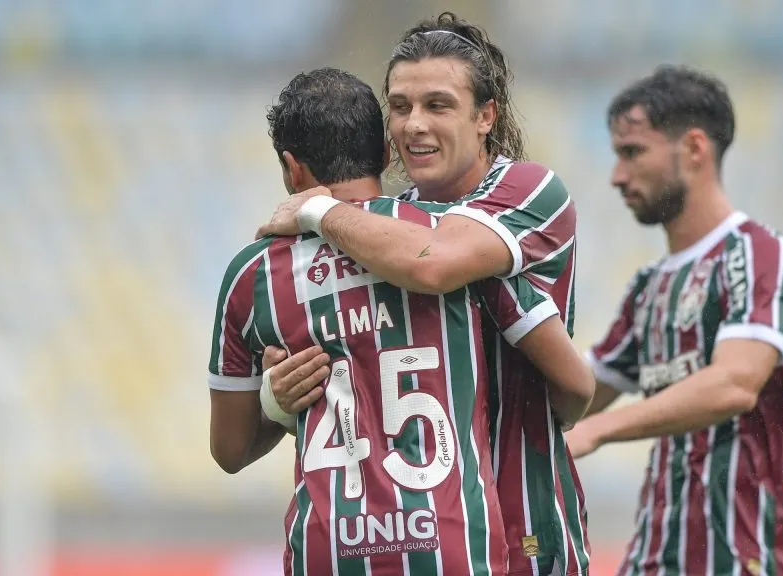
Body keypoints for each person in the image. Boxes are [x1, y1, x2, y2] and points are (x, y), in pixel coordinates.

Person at [208, 67, 590, 576]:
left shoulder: (252, 276)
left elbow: (229, 450)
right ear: (386, 154)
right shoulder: (442, 240)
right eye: (404, 107)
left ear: (290, 169)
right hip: (453, 544)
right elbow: (573, 381)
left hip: (327, 549)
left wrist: (278, 407)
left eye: (437, 105)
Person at [567, 65, 783, 576]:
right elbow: (580, 393)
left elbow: (735, 383)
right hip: (653, 560)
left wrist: (602, 429)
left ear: (694, 149)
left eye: (632, 152)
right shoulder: (649, 286)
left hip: (745, 562)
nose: (616, 176)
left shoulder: (757, 255)